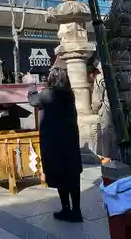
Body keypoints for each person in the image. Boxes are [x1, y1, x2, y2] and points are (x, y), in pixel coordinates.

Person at [28, 69, 83, 222]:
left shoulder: (49, 94)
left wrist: (31, 86)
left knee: (60, 176)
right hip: (70, 141)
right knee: (72, 177)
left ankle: (66, 209)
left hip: (55, 143)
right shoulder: (69, 94)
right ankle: (76, 211)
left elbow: (33, 100)